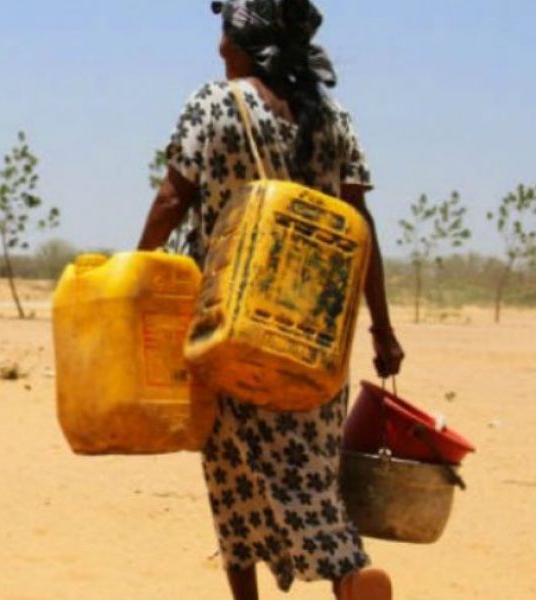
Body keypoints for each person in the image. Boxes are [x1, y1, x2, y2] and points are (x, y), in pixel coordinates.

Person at [137, 1, 405, 599]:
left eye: (226, 36)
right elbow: (362, 230)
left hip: (230, 328)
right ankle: (348, 575)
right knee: (309, 480)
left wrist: (136, 276)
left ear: (250, 44)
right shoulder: (333, 119)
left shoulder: (214, 104)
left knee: (234, 479)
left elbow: (171, 199)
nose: (218, 50)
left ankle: (279, 590)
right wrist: (381, 328)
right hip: (316, 342)